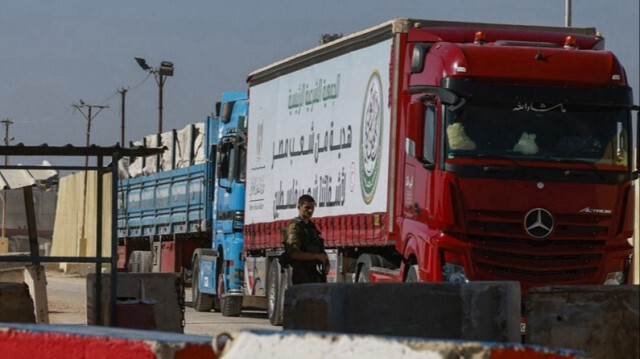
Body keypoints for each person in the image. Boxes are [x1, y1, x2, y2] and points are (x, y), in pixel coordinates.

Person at [283, 194, 330, 284]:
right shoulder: (295, 226)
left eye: (312, 208)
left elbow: (318, 246)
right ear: (299, 207)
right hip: (301, 274)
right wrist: (316, 257)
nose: (310, 210)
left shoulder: (311, 227)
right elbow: (293, 254)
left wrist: (325, 260)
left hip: (314, 273)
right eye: (307, 207)